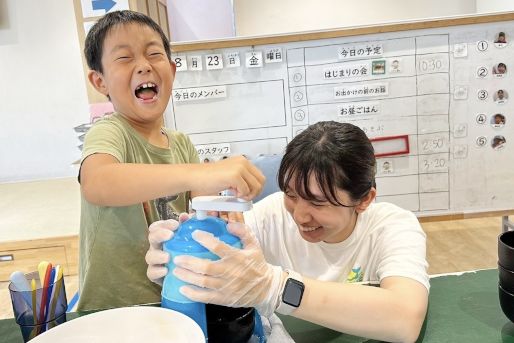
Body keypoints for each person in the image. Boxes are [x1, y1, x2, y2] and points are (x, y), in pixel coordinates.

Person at [146, 121, 429, 342]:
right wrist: (180, 261)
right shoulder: (271, 216)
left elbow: (405, 319)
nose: (300, 215)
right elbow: (220, 266)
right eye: (292, 195)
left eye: (318, 201)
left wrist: (276, 288)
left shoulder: (391, 227)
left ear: (365, 199)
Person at [77, 10, 265, 311]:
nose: (144, 66)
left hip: (174, 298)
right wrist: (200, 175)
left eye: (154, 54)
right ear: (100, 81)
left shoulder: (180, 143)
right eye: (125, 58)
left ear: (173, 71)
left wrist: (226, 208)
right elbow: (98, 183)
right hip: (114, 308)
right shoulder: (109, 131)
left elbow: (206, 210)